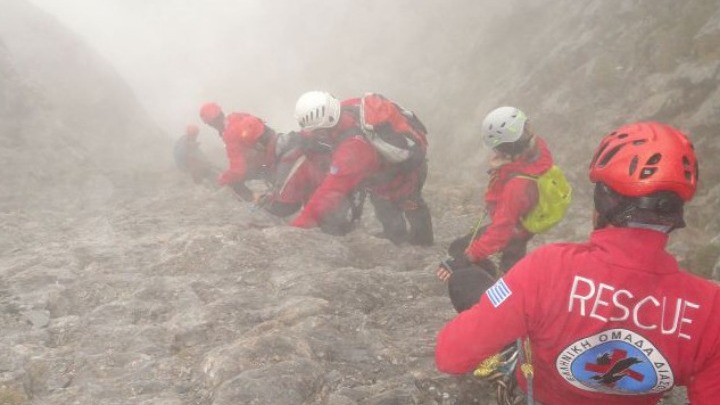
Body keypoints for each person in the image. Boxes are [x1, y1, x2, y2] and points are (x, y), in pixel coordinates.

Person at [435, 121, 720, 404]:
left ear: (602, 201)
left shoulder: (547, 268)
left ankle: (511, 345)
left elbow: (450, 355)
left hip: (540, 392)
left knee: (466, 281)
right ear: (674, 213)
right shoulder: (711, 311)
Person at [289, 91, 434, 245]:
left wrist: (296, 228)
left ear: (323, 128)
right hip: (389, 170)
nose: (314, 135)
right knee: (384, 205)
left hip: (403, 174)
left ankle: (421, 245)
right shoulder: (347, 108)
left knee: (407, 204)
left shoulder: (353, 147)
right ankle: (397, 239)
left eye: (315, 132)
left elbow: (330, 191)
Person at [436, 106, 553, 281]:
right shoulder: (534, 150)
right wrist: (507, 165)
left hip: (515, 226)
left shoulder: (518, 184)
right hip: (523, 222)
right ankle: (508, 284)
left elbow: (501, 232)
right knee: (512, 261)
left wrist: (466, 259)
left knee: (461, 249)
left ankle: (498, 289)